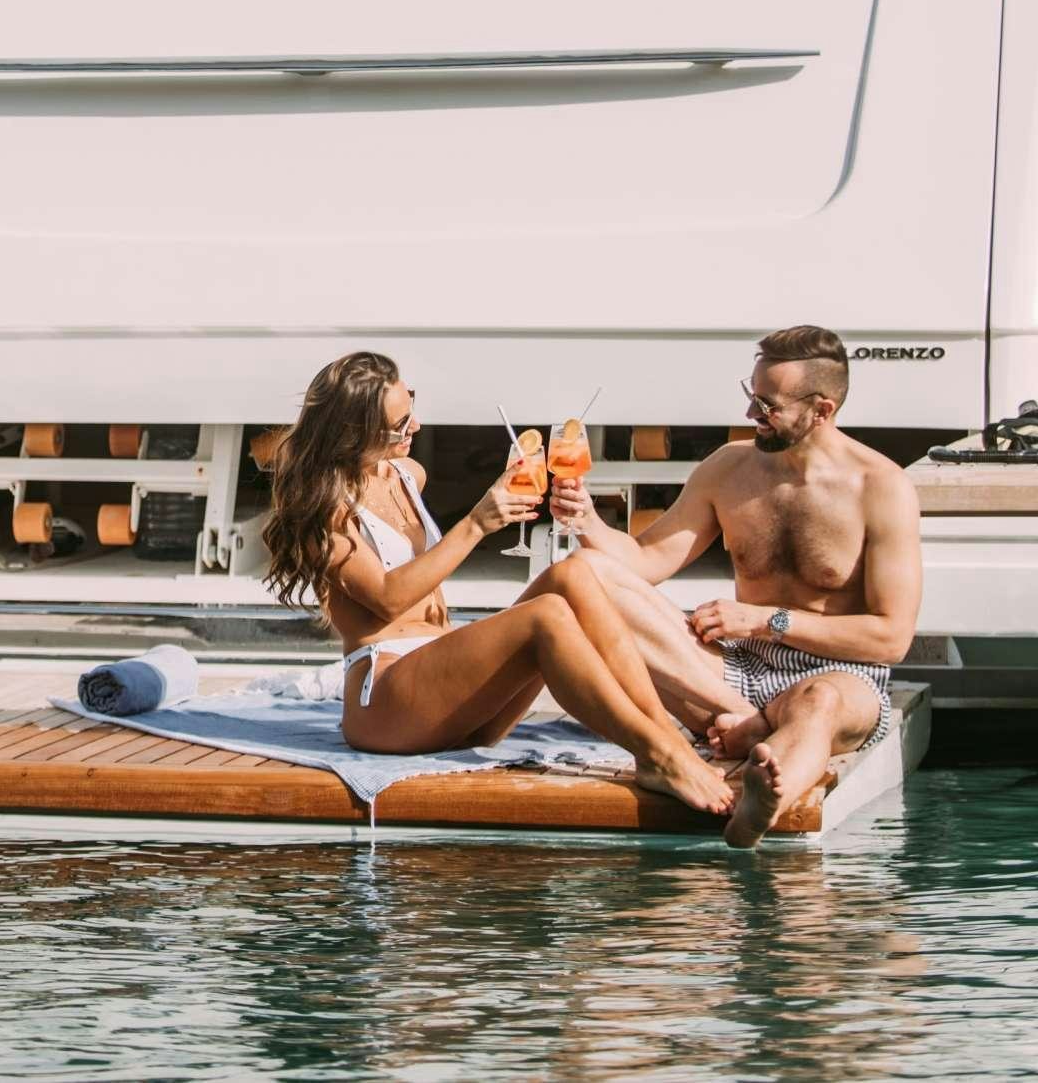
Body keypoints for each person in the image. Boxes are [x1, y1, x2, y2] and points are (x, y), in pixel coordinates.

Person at [261, 351, 734, 817]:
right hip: (388, 705)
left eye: (412, 408)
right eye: (400, 425)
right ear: (353, 431)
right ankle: (659, 755)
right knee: (545, 616)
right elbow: (388, 600)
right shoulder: (321, 510)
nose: (416, 428)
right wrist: (476, 525)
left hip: (453, 698)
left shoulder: (407, 474)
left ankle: (665, 739)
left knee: (573, 573)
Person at [550, 326, 922, 848]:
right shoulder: (728, 468)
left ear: (822, 410)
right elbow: (646, 562)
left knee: (817, 704)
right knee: (587, 574)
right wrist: (586, 519)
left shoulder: (881, 487)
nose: (751, 413)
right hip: (732, 679)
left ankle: (766, 797)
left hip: (840, 677)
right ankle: (756, 729)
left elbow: (890, 639)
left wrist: (766, 621)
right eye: (751, 395)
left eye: (768, 405)